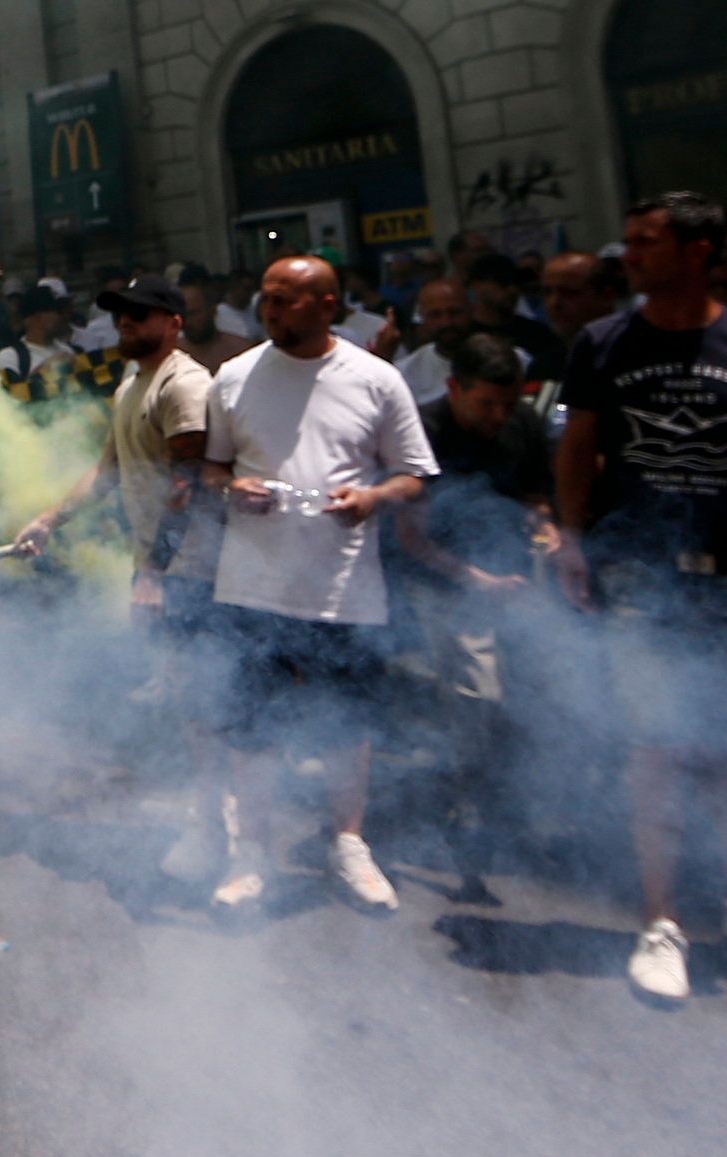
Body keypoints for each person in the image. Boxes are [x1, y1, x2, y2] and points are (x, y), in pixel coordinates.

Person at [552, 192, 727, 1003]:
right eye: (629, 240)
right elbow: (577, 447)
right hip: (642, 580)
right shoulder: (602, 343)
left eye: (646, 241)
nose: (628, 254)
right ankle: (660, 922)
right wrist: (571, 539)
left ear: (700, 251)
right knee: (657, 755)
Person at [199, 255, 438, 915]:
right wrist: (232, 487)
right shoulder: (234, 376)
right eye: (265, 299)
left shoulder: (375, 378)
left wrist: (372, 496)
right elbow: (211, 470)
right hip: (252, 585)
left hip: (344, 586)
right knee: (251, 727)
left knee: (348, 725)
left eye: (285, 301)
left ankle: (349, 844)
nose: (269, 312)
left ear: (327, 304)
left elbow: (414, 474)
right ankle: (250, 855)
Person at [14, 274, 232, 881]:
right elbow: (107, 470)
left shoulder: (184, 386)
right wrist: (50, 519)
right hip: (166, 566)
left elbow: (189, 491)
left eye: (141, 314)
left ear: (174, 322)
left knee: (204, 700)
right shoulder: (132, 384)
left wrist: (154, 573)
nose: (127, 324)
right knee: (191, 699)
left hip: (195, 569)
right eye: (121, 315)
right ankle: (215, 816)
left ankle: (218, 827)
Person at [392, 333, 555, 901]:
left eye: (507, 405)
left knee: (537, 696)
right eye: (486, 404)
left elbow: (537, 492)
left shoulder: (523, 424)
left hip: (518, 584)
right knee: (476, 699)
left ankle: (519, 804)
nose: (498, 416)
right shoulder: (424, 431)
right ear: (454, 387)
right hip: (446, 586)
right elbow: (410, 536)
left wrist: (544, 525)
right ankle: (464, 810)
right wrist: (477, 581)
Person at [464, 252, 568, 383]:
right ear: (477, 285)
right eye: (502, 282)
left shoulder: (538, 334)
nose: (513, 290)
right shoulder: (463, 335)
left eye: (516, 282)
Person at [395, 278, 471, 409]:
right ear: (422, 318)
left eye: (454, 312)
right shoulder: (405, 372)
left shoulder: (507, 358)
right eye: (435, 315)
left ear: (471, 310)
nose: (446, 322)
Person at [178, 269, 255, 373]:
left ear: (212, 311)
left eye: (194, 313)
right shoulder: (172, 353)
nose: (187, 321)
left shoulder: (241, 351)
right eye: (183, 315)